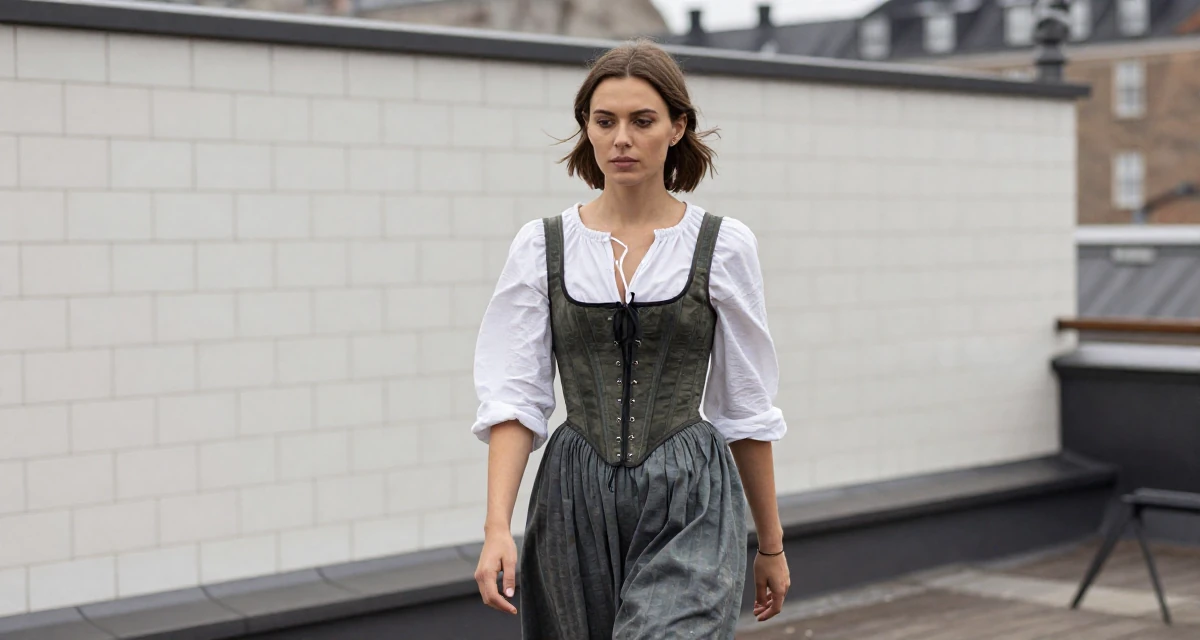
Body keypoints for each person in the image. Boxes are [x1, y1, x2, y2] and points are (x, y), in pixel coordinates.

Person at [471, 38, 790, 639]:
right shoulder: (542, 245)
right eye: (605, 120)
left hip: (689, 492)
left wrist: (769, 545)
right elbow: (514, 396)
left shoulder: (724, 245)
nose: (622, 138)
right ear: (586, 130)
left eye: (642, 121)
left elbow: (745, 407)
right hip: (572, 496)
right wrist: (496, 529)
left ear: (676, 128)